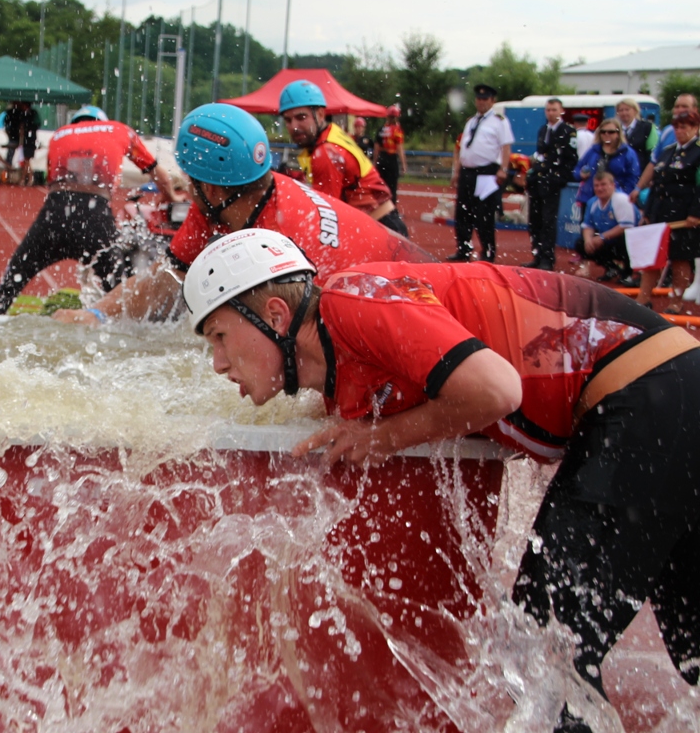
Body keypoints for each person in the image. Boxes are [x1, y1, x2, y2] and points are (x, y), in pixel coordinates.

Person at [182, 226, 700, 733]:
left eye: (220, 336)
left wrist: (384, 437)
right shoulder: (341, 370)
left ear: (274, 314)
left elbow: (497, 390)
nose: (218, 364)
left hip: (650, 398)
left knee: (541, 658)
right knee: (689, 648)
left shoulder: (353, 300)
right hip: (666, 396)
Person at [51, 103, 434, 326]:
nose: (184, 183)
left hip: (420, 300)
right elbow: (166, 277)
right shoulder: (228, 199)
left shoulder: (285, 244)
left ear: (211, 187)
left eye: (188, 177)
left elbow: (309, 346)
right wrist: (97, 316)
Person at [0, 105, 175, 314]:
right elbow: (160, 177)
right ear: (102, 121)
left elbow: (54, 179)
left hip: (54, 214)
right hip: (95, 217)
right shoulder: (119, 130)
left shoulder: (60, 135)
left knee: (11, 282)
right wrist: (170, 197)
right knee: (121, 294)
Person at [278, 80, 407, 236]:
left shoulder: (325, 153)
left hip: (380, 229)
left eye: (301, 117)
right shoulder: (332, 133)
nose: (294, 126)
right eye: (288, 120)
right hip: (384, 222)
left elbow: (325, 217)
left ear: (319, 114)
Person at [636, 109, 700, 313]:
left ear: (695, 128)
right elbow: (656, 184)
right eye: (677, 127)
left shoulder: (697, 152)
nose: (680, 131)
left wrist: (696, 213)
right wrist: (648, 212)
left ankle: (676, 301)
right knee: (653, 258)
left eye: (685, 127)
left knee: (680, 258)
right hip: (661, 212)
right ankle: (643, 299)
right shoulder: (668, 150)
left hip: (684, 213)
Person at [449, 83, 514, 262]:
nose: (481, 102)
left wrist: (503, 169)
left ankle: (488, 251)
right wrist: (457, 172)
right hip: (468, 171)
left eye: (485, 99)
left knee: (484, 214)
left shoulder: (499, 121)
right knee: (463, 212)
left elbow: (506, 146)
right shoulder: (471, 121)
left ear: (492, 101)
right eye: (479, 98)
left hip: (487, 171)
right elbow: (463, 148)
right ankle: (463, 249)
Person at [524, 98, 578, 270]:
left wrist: (559, 178)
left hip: (552, 181)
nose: (551, 113)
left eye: (554, 110)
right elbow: (541, 153)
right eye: (548, 110)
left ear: (561, 111)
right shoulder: (543, 129)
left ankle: (547, 257)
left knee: (548, 221)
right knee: (535, 221)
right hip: (538, 180)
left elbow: (570, 158)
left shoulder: (568, 131)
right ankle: (537, 254)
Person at [630, 93, 699, 205]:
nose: (680, 110)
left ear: (695, 109)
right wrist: (638, 188)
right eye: (677, 106)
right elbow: (654, 163)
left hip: (688, 202)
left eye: (685, 106)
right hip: (665, 199)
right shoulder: (668, 131)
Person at [572, 117, 640, 218]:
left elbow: (633, 177)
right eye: (603, 132)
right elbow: (576, 170)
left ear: (618, 134)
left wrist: (623, 196)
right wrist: (580, 174)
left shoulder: (628, 153)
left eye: (611, 132)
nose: (606, 134)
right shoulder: (593, 151)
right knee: (587, 230)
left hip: (616, 200)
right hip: (590, 199)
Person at [577, 171, 637, 283]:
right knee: (581, 243)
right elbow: (587, 225)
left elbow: (626, 226)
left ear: (612, 185)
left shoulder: (621, 199)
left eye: (603, 184)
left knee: (624, 240)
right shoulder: (592, 202)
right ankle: (611, 268)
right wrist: (588, 240)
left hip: (632, 240)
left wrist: (602, 237)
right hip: (609, 239)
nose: (600, 188)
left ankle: (628, 273)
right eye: (596, 185)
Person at [374, 105, 407, 203]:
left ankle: (380, 206)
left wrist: (375, 162)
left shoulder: (381, 130)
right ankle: (391, 208)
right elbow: (400, 148)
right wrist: (403, 164)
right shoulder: (397, 130)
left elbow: (377, 148)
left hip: (382, 159)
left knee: (381, 184)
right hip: (391, 159)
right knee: (392, 185)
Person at [616, 97, 657, 171]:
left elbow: (653, 152)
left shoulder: (647, 127)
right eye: (621, 110)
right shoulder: (613, 128)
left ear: (635, 111)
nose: (624, 113)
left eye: (627, 110)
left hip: (640, 170)